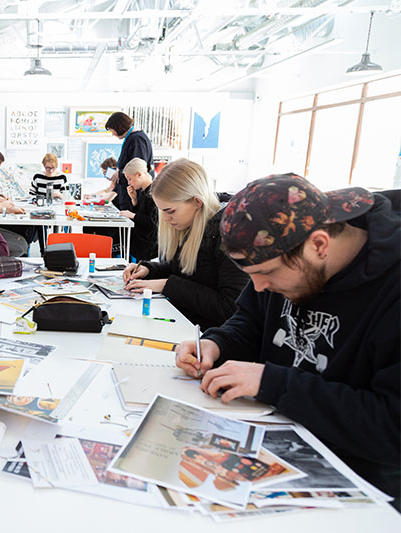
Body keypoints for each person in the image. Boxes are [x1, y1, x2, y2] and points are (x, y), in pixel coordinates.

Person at [174, 174, 400, 505]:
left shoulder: (392, 291)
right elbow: (253, 319)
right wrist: (217, 343)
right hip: (271, 437)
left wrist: (274, 383)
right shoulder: (281, 255)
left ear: (319, 245)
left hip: (359, 484)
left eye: (266, 274)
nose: (260, 287)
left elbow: (392, 426)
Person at [122, 158, 248, 330]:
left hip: (207, 338)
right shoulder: (191, 223)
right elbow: (185, 270)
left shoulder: (230, 237)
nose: (165, 219)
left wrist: (167, 285)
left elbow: (230, 308)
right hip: (183, 323)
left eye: (170, 211)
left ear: (197, 202)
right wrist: (149, 269)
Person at [105, 111, 154, 213]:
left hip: (136, 195)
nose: (112, 134)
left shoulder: (137, 139)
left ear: (118, 127)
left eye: (112, 130)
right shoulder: (132, 138)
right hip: (128, 194)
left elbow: (137, 166)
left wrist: (119, 173)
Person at [120, 158, 158, 262]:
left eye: (130, 179)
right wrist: (134, 200)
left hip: (149, 242)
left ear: (139, 175)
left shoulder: (154, 193)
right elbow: (141, 212)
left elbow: (153, 221)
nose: (129, 183)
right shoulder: (143, 191)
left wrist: (132, 215)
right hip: (141, 238)